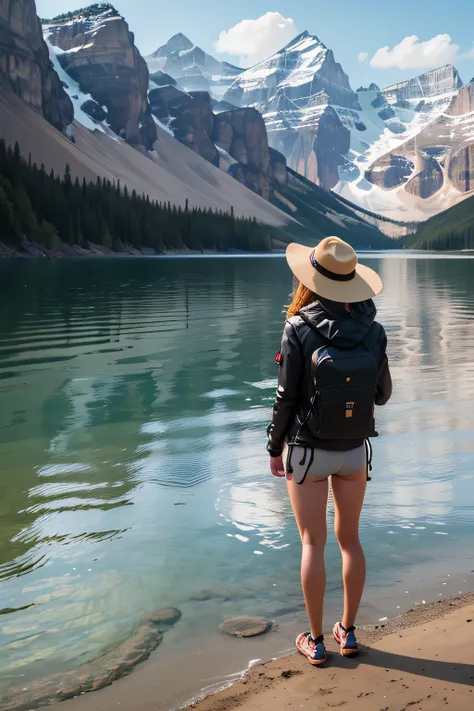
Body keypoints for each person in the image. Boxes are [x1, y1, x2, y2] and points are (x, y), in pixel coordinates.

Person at [267, 236, 392, 667]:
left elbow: (285, 399)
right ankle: (349, 632)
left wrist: (273, 448)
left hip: (308, 454)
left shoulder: (298, 327)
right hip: (354, 453)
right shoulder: (374, 331)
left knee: (311, 542)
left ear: (311, 279)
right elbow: (382, 396)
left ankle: (316, 641)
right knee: (350, 540)